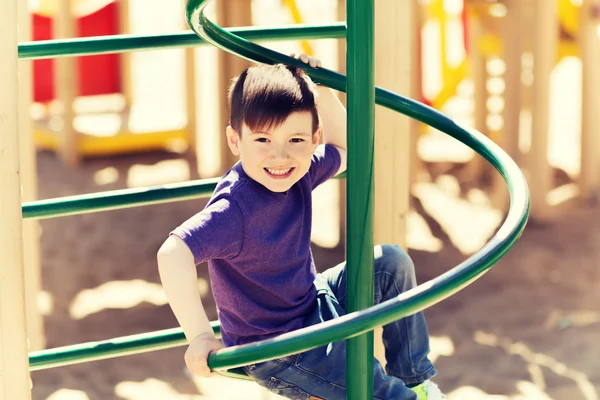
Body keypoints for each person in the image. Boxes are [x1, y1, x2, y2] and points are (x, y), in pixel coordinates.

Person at [157, 53, 445, 400]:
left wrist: (321, 89)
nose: (280, 157)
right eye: (262, 140)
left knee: (390, 264)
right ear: (236, 141)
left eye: (295, 140)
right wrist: (200, 336)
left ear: (313, 139)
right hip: (277, 349)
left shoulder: (301, 171)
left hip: (313, 303)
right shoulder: (234, 209)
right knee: (371, 386)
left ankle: (416, 381)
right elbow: (173, 252)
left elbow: (346, 146)